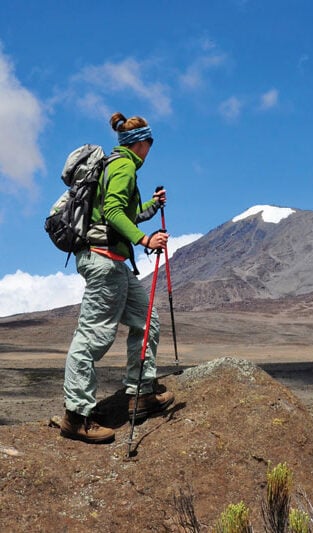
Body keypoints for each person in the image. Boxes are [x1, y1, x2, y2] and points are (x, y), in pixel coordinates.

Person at [60, 112, 175, 444]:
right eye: (149, 143)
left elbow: (123, 214)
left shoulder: (119, 166)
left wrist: (151, 208)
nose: (150, 149)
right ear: (142, 144)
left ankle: (140, 394)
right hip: (104, 262)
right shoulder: (123, 166)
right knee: (93, 337)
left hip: (115, 264)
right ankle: (76, 416)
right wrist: (145, 239)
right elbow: (111, 213)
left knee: (145, 319)